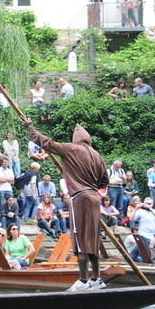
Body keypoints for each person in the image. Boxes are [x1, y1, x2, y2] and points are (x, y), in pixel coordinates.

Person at [28, 122, 110, 290]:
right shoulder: (97, 155)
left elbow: (48, 144)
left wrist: (31, 129)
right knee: (92, 239)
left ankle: (82, 279)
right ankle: (96, 278)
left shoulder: (71, 148)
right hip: (95, 198)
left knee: (79, 237)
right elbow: (104, 182)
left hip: (80, 198)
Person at [125, 197, 155, 264]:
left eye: (150, 204)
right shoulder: (140, 211)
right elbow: (131, 218)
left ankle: (131, 260)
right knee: (143, 251)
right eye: (146, 203)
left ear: (153, 204)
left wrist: (150, 209)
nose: (148, 205)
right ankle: (131, 261)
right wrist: (136, 208)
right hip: (143, 234)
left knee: (142, 250)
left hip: (152, 236)